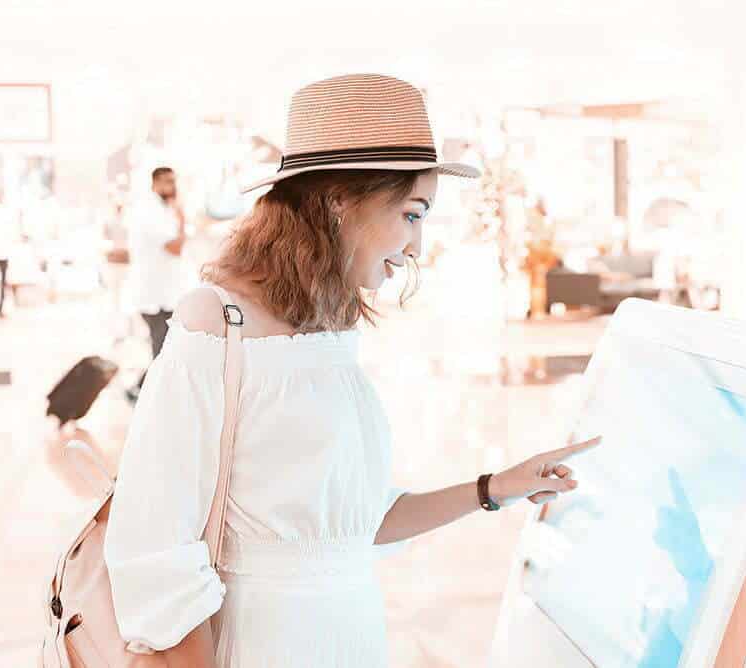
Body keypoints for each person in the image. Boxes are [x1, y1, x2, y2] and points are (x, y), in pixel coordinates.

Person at [103, 74, 601, 667]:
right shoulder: (214, 321)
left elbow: (357, 526)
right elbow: (154, 545)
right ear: (341, 200)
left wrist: (495, 488)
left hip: (351, 638)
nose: (418, 244)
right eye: (412, 214)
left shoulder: (331, 333)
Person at [123, 166, 190, 401]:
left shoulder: (162, 210)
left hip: (164, 293)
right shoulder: (149, 211)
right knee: (163, 348)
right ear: (155, 183)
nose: (172, 187)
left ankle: (141, 390)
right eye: (167, 182)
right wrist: (182, 219)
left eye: (174, 181)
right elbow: (175, 247)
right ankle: (142, 392)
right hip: (153, 294)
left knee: (165, 347)